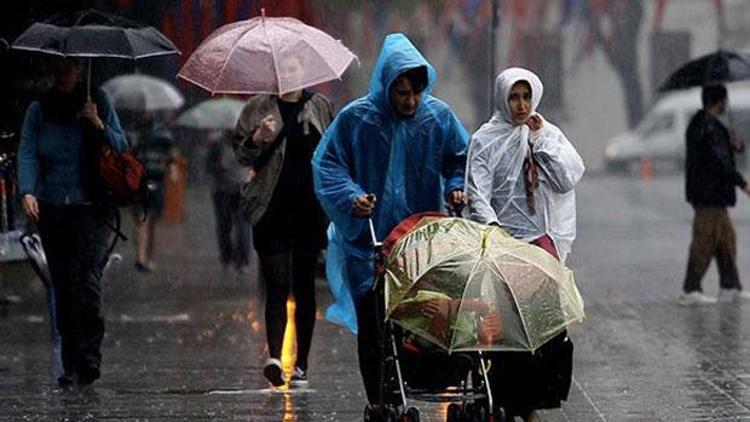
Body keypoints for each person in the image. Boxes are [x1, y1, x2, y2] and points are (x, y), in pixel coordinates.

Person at [312, 33, 469, 416]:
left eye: (415, 93)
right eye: (401, 93)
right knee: (373, 322)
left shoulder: (438, 118)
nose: (409, 102)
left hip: (420, 239)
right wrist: (353, 198)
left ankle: (416, 381)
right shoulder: (357, 119)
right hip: (368, 244)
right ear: (386, 86)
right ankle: (381, 398)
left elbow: (459, 160)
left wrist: (454, 189)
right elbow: (329, 164)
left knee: (422, 318)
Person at [465, 67, 585, 421]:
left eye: (526, 97)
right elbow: (478, 192)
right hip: (503, 247)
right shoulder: (484, 140)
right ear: (503, 98)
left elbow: (566, 179)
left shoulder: (544, 133)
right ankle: (514, 403)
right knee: (508, 332)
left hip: (541, 244)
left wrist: (540, 142)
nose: (520, 105)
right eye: (514, 97)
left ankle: (536, 401)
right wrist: (495, 232)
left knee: (545, 330)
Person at [17, 58, 128, 387]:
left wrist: (97, 123)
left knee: (87, 282)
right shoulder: (39, 110)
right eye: (57, 68)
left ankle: (90, 355)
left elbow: (121, 146)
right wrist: (28, 190)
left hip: (91, 208)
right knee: (63, 286)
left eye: (68, 68)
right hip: (53, 208)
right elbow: (27, 151)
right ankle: (71, 363)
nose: (62, 74)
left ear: (78, 69)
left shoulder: (98, 101)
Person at [231, 53, 334, 388]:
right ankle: (275, 356)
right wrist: (258, 138)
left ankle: (301, 363)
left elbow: (334, 151)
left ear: (303, 70)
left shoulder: (319, 106)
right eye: (280, 69)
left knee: (304, 287)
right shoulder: (257, 108)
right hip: (270, 209)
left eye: (292, 67)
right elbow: (241, 153)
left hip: (309, 212)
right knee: (276, 282)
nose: (286, 74)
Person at [680, 84, 750, 305]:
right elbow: (722, 163)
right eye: (725, 100)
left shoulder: (703, 125)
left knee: (726, 240)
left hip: (711, 194)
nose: (727, 104)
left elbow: (722, 153)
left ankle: (730, 286)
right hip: (708, 194)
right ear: (719, 101)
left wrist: (735, 145)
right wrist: (744, 184)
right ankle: (690, 289)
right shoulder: (708, 127)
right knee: (704, 241)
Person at [130, 110, 177, 272]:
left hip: (156, 181)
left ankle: (148, 256)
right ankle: (141, 257)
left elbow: (170, 155)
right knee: (143, 219)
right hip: (139, 181)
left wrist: (171, 169)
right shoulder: (134, 132)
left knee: (152, 223)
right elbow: (128, 154)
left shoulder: (162, 133)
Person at [205, 129, 251, 276]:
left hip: (241, 189)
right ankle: (227, 257)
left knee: (243, 226)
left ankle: (242, 260)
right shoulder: (216, 143)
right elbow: (209, 166)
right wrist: (218, 166)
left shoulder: (249, 141)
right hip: (222, 190)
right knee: (224, 225)